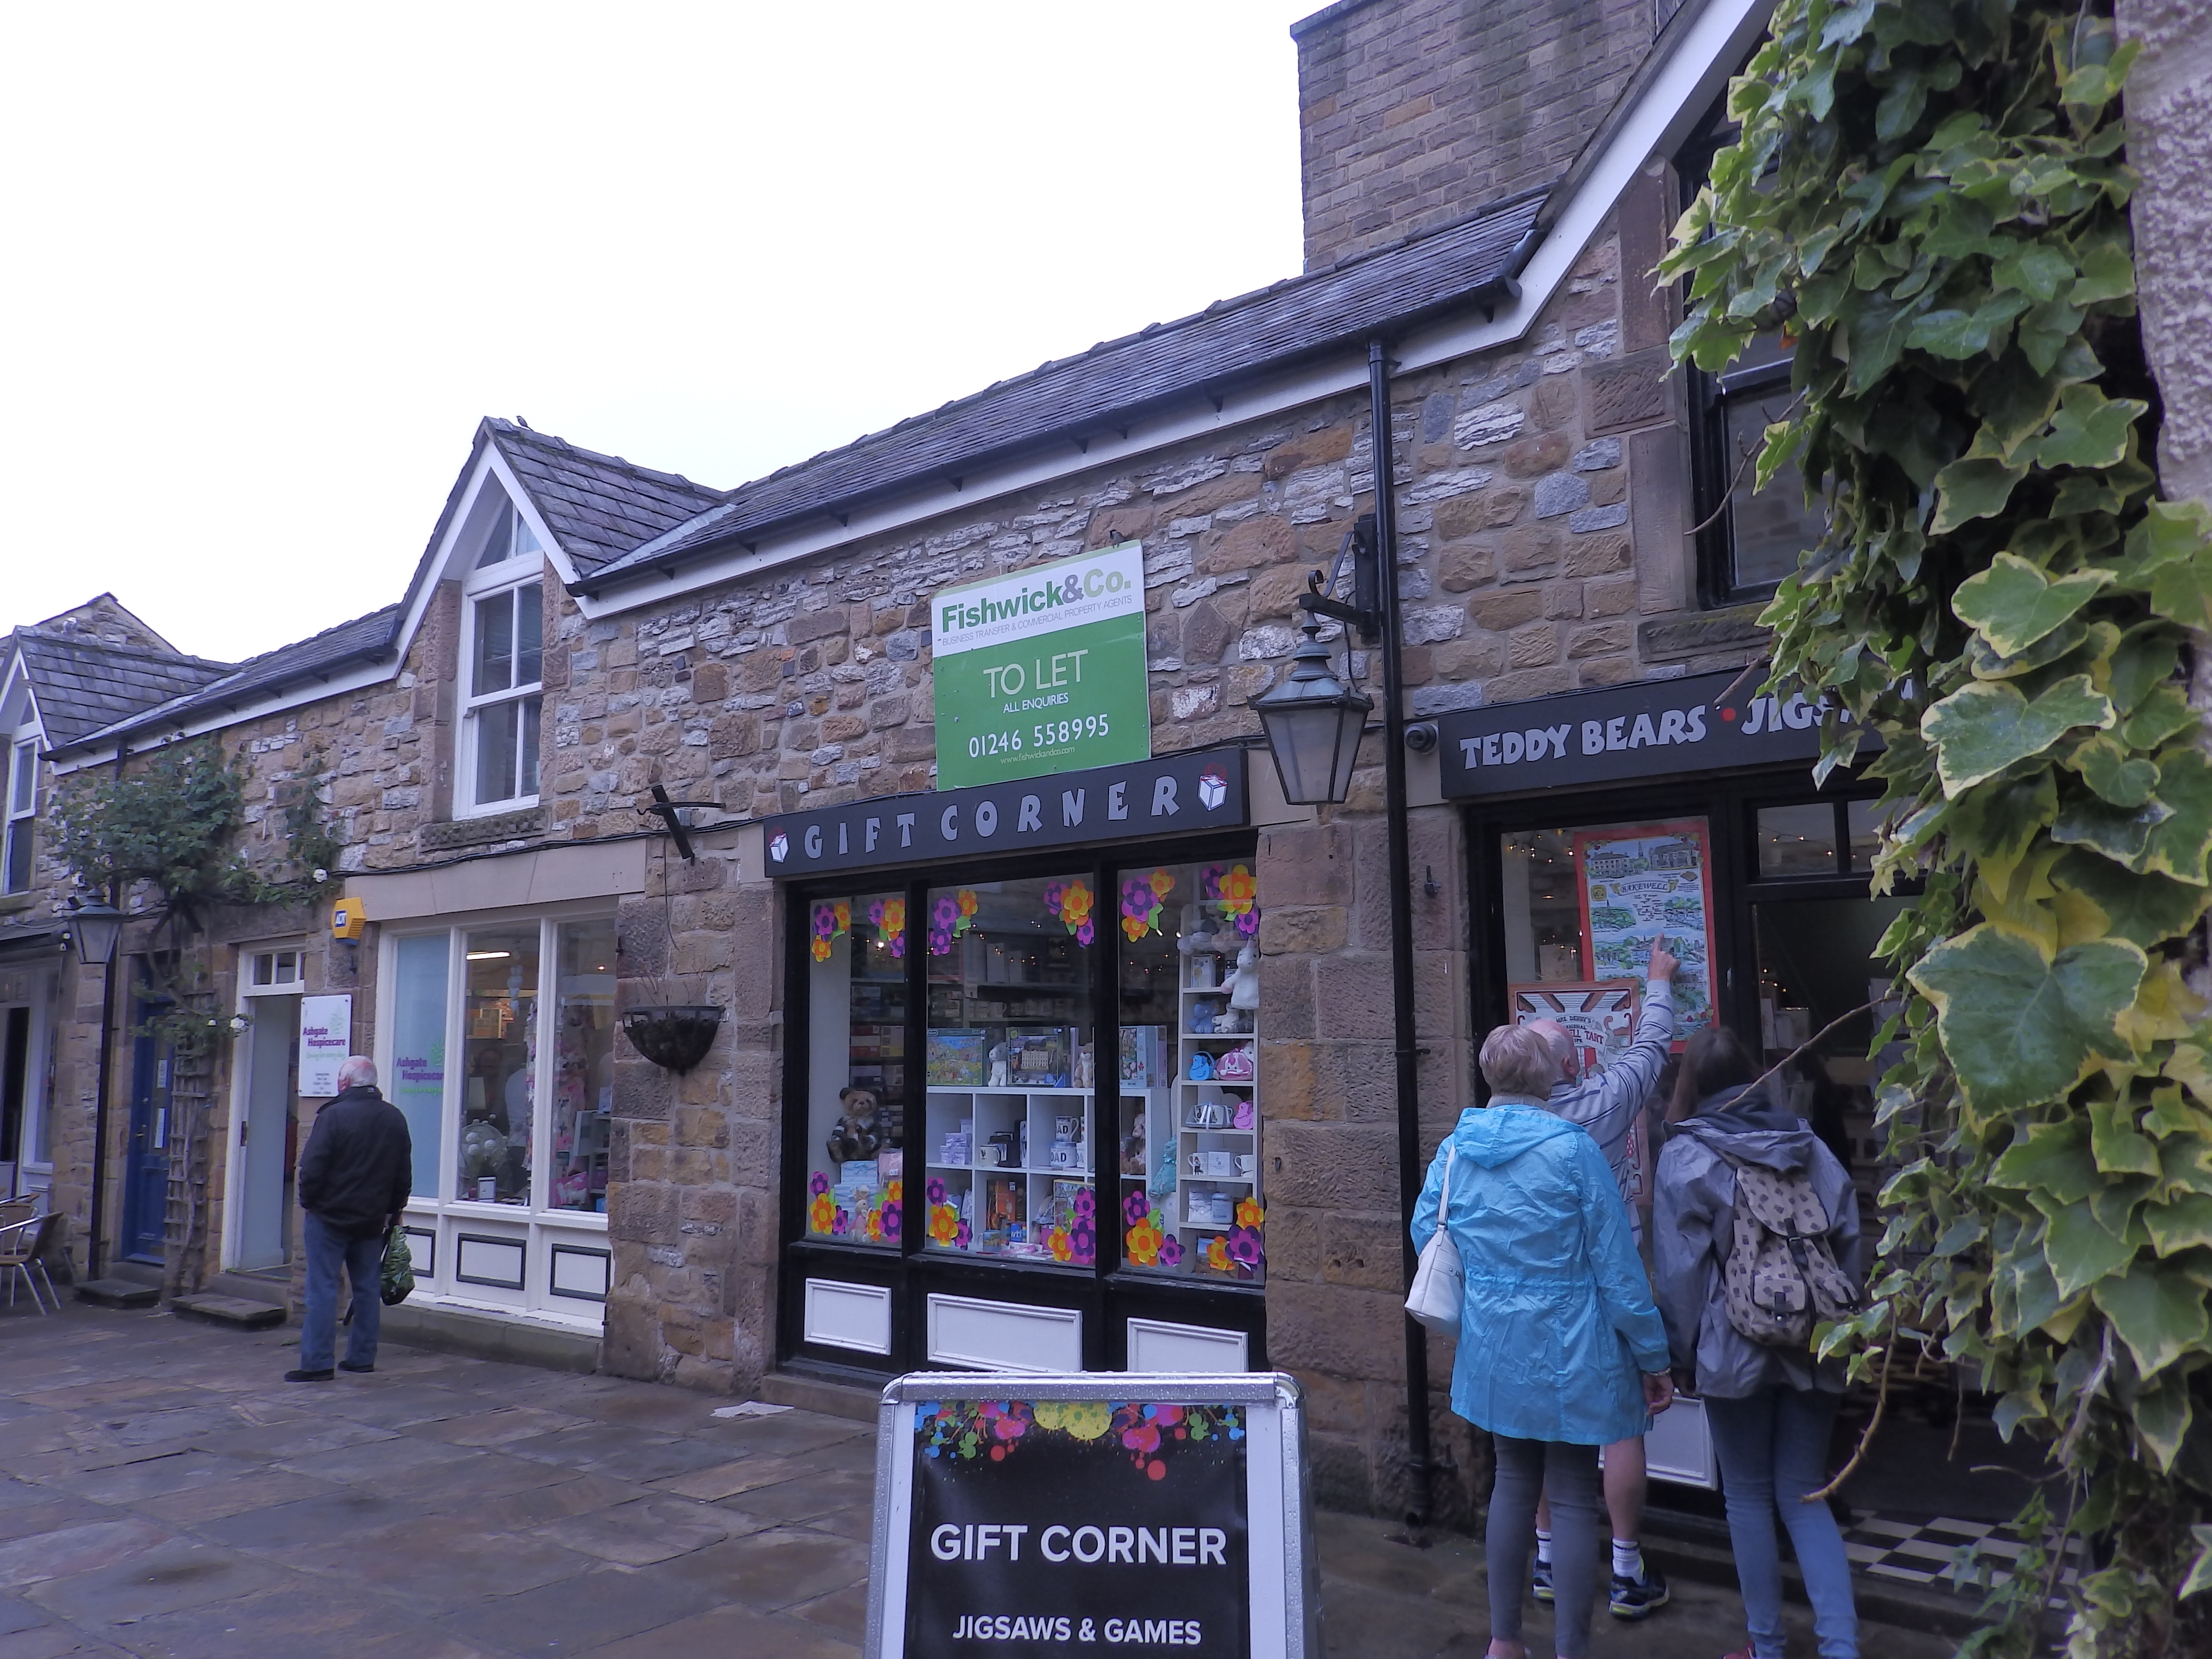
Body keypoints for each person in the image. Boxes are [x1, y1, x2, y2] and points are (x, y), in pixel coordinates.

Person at [1413, 1022, 1674, 1659]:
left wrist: (1486, 1297)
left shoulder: (1456, 1150)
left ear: (1490, 1076)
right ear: (1549, 1076)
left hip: (1493, 1345)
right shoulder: (1573, 1150)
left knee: (1511, 1483)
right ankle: (1569, 1650)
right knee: (1571, 1496)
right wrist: (1653, 1356)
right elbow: (1617, 1268)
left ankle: (1504, 1642)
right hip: (1572, 1347)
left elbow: (1428, 1233)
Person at [1653, 1027, 1863, 1659]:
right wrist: (1838, 1326)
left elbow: (1681, 1275)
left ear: (1691, 1086)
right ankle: (1841, 1648)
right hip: (1814, 1339)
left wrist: (1680, 1356)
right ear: (1754, 1076)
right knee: (1803, 1494)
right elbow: (1848, 1242)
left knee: (1745, 1497)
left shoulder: (1686, 1157)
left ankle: (1766, 1648)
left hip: (1731, 1346)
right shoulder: (1808, 1146)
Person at [1525, 936, 1679, 1620]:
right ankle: (1625, 1570)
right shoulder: (1603, 1105)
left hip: (1533, 1295)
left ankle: (1548, 1561)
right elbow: (1650, 1050)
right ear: (1574, 1062)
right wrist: (1658, 981)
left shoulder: (1497, 1130)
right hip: (1605, 1289)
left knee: (1539, 1429)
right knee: (1619, 1426)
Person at [287, 1055, 412, 1383]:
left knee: (323, 1289)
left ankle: (317, 1363)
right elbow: (403, 1174)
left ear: (344, 1083)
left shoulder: (333, 1116)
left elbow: (312, 1168)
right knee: (367, 1289)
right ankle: (361, 1358)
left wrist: (310, 1203)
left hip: (330, 1217)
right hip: (371, 1219)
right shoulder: (394, 1118)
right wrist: (393, 1211)